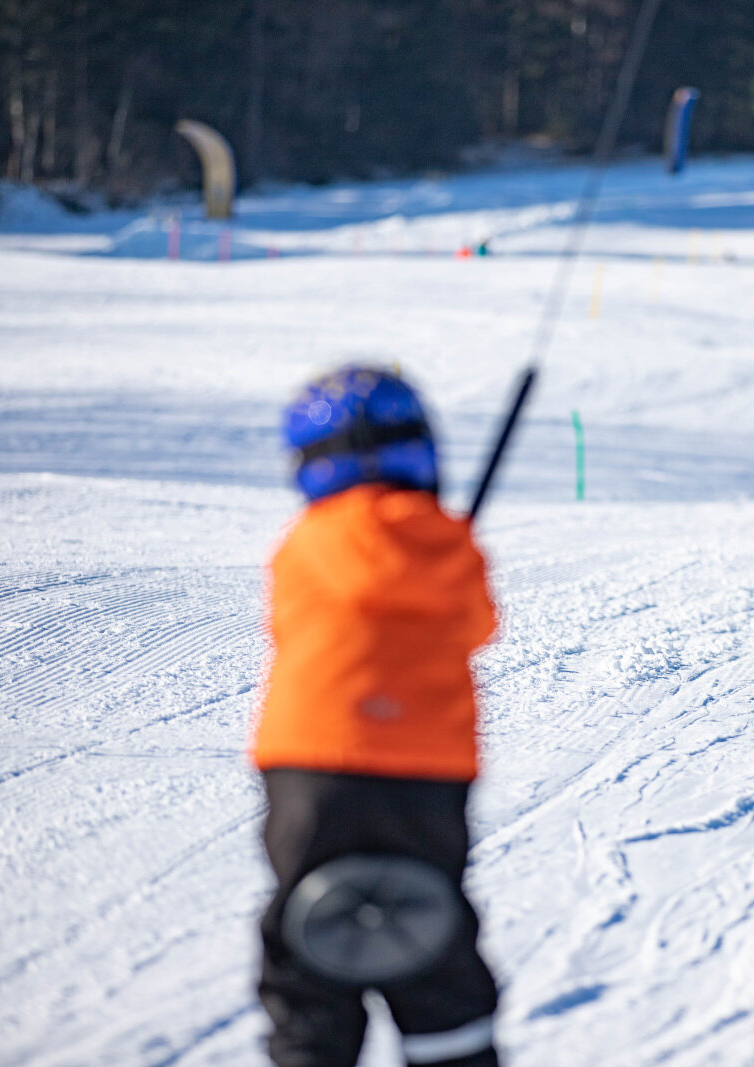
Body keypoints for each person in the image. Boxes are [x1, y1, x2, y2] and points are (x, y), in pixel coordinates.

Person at [252, 366, 501, 1067]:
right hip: (425, 770)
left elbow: (287, 624)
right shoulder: (447, 544)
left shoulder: (303, 542)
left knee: (306, 934)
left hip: (308, 765)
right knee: (430, 931)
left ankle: (310, 1044)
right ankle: (451, 1041)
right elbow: (477, 625)